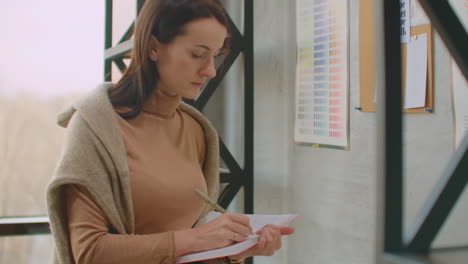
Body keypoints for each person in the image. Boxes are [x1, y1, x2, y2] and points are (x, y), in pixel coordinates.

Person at [46, 0, 294, 263]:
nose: (210, 70)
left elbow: (185, 247)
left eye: (216, 55)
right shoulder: (95, 127)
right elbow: (89, 253)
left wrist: (236, 249)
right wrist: (196, 239)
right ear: (153, 47)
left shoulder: (196, 130)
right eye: (198, 54)